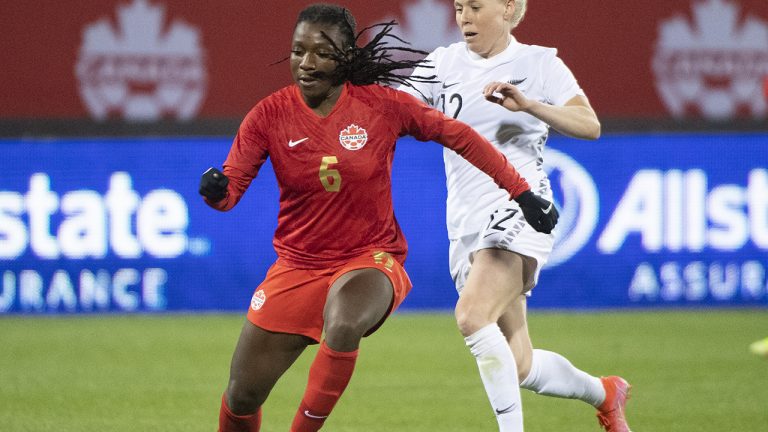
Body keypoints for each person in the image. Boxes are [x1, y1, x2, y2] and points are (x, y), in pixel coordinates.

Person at [199, 4, 557, 432]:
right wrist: (217, 191)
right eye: (298, 51)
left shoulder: (382, 106)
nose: (307, 63)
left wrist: (520, 190)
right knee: (241, 396)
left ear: (347, 57)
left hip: (369, 260)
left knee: (345, 321)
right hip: (297, 267)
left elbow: (459, 136)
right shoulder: (268, 115)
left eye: (322, 53)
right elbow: (230, 190)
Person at [397, 1, 632, 431]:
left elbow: (588, 124)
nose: (463, 16)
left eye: (475, 6)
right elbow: (393, 114)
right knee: (518, 366)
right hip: (466, 222)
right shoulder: (441, 63)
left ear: (508, 8)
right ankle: (605, 393)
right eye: (458, 7)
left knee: (471, 316)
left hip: (522, 207)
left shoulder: (539, 62)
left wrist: (530, 106)